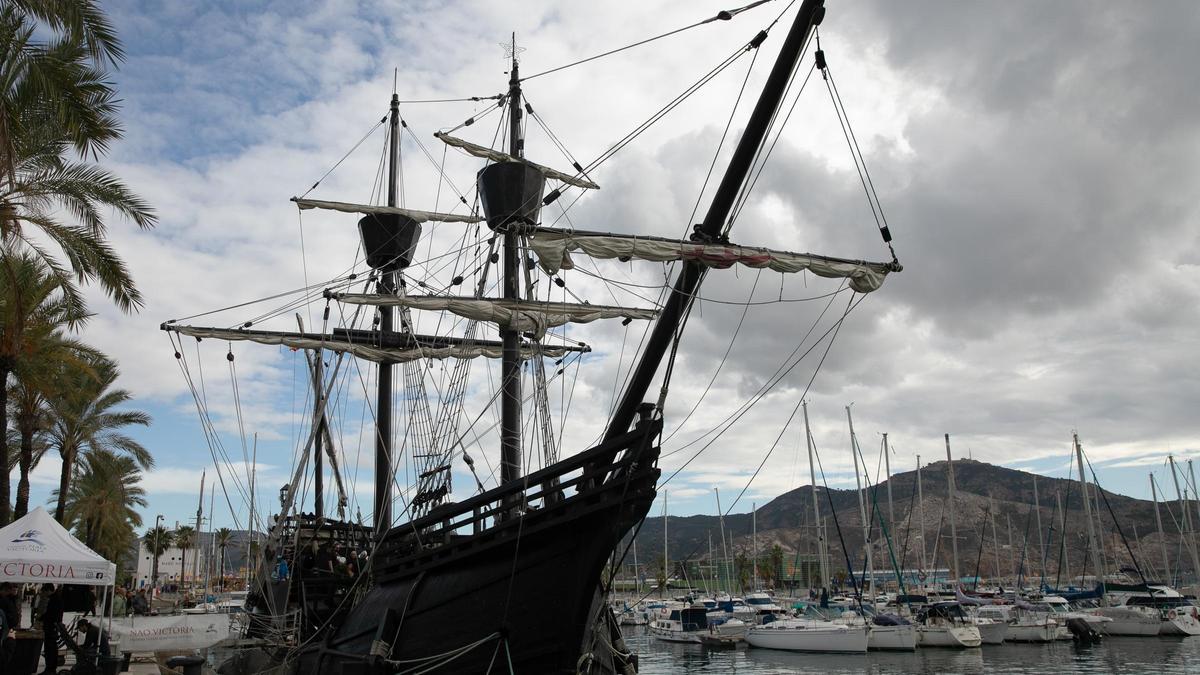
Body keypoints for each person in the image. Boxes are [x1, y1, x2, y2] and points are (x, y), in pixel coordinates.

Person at [39, 584, 63, 675]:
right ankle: (50, 668)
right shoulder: (56, 599)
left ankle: (50, 669)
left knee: (50, 649)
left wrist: (41, 618)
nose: (44, 594)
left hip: (51, 628)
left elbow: (51, 615)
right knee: (50, 648)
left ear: (49, 590)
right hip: (52, 627)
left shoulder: (55, 600)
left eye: (44, 591)